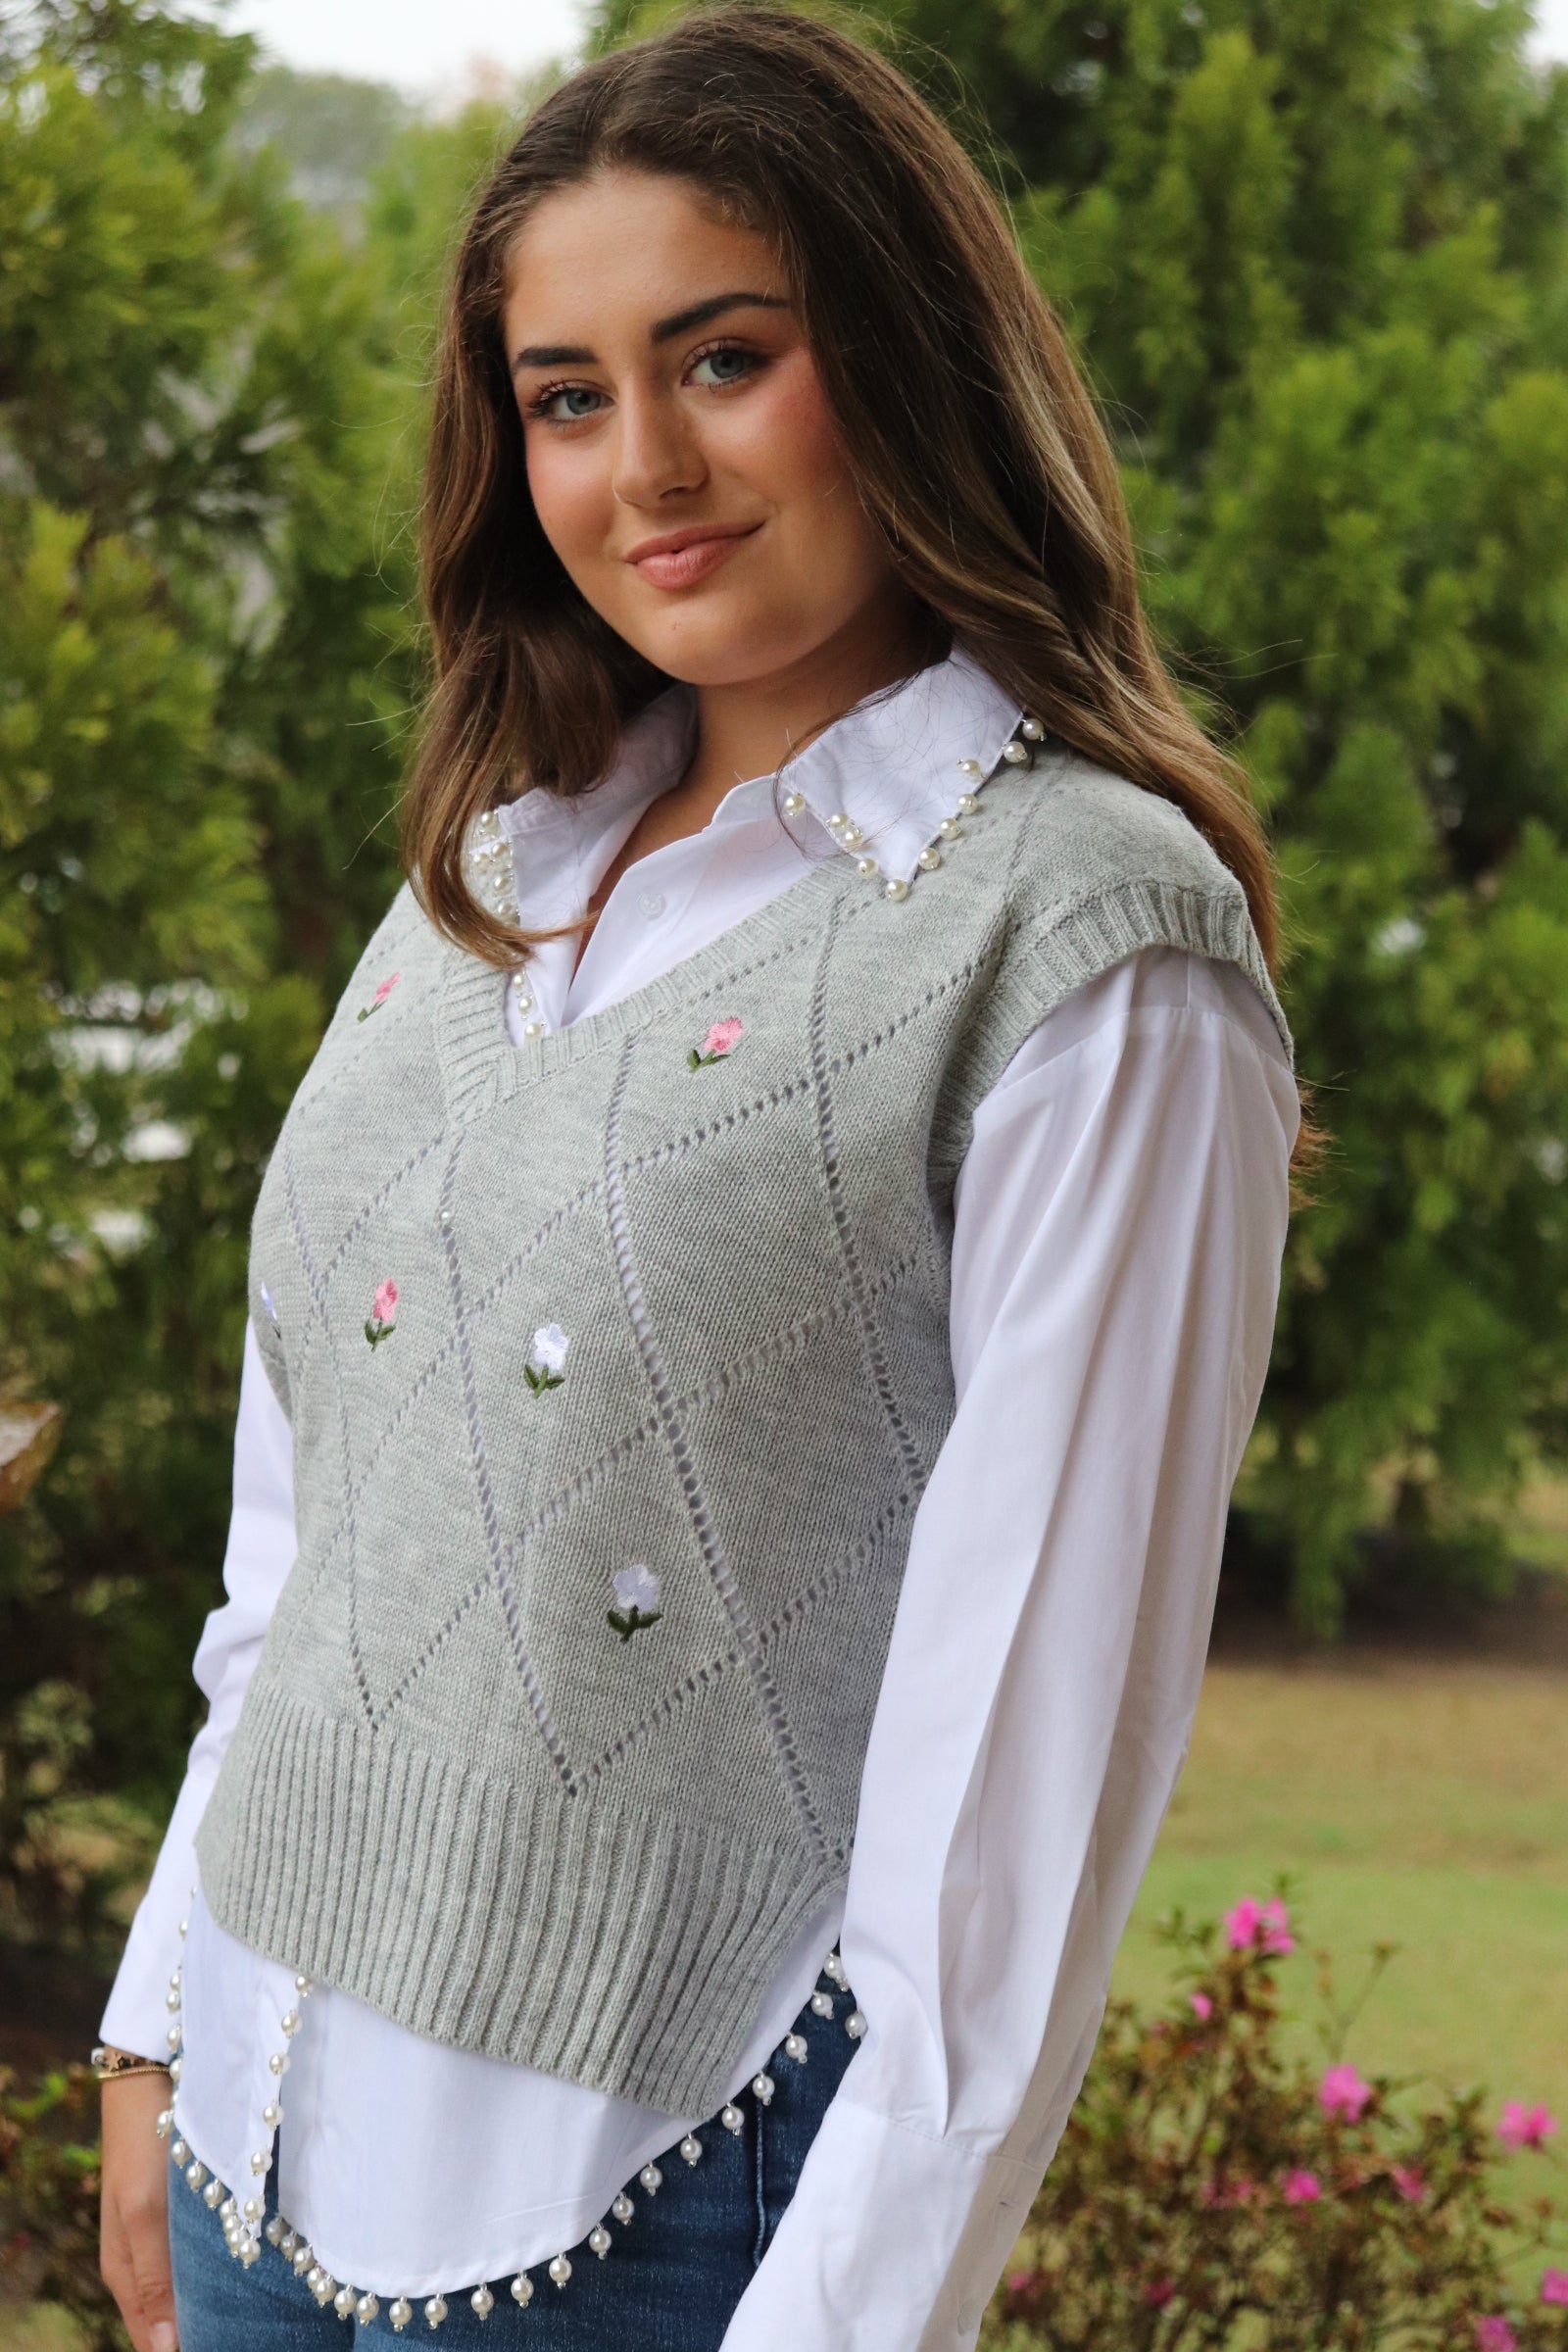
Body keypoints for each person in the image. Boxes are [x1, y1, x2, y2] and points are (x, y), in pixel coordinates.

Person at [95, 11, 1309, 2348]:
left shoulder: (1085, 949)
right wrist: (156, 2022)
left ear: (903, 356)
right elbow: (310, 1547)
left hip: (649, 2225)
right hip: (254, 2148)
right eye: (564, 395)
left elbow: (1012, 1846)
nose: (639, 462)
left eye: (721, 359)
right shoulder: (486, 869)